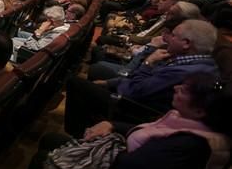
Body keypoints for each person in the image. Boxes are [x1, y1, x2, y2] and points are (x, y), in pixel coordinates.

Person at [18, 73, 232, 169]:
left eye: (183, 90)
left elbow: (131, 167)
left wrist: (104, 142)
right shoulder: (187, 120)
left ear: (200, 110)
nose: (176, 88)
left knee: (43, 160)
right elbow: (150, 130)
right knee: (51, 139)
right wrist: (113, 126)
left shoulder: (195, 146)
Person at [65, 19, 220, 136]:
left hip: (137, 108)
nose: (167, 38)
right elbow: (136, 79)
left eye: (173, 35)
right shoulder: (194, 61)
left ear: (186, 43)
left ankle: (78, 135)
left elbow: (133, 90)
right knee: (93, 80)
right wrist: (109, 82)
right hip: (137, 96)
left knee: (76, 83)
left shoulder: (185, 71)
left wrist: (148, 62)